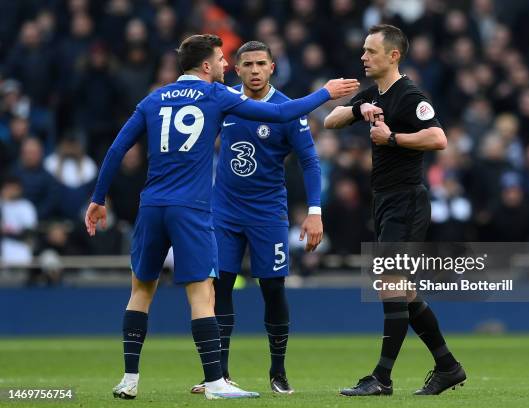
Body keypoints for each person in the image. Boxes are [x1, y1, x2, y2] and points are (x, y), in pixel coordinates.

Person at [84, 33, 358, 400]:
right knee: (205, 293)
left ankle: (130, 379)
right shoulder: (219, 97)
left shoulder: (153, 98)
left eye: (258, 64)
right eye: (224, 59)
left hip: (158, 206)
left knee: (142, 290)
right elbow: (278, 114)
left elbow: (118, 148)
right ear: (208, 65)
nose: (229, 65)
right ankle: (217, 379)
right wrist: (325, 92)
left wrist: (98, 198)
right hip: (203, 210)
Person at [324, 24, 466, 396]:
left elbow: (438, 138)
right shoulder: (376, 94)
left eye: (370, 51)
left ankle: (381, 378)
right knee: (401, 290)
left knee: (389, 284)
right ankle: (448, 367)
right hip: (386, 201)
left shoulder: (410, 95)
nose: (363, 57)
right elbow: (329, 120)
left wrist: (393, 137)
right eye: (364, 50)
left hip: (406, 200)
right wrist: (360, 108)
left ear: (393, 55)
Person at [188, 40, 323, 396]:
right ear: (237, 68)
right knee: (221, 286)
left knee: (273, 288)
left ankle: (278, 372)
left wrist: (314, 212)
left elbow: (309, 161)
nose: (255, 71)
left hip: (268, 214)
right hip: (225, 212)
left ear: (272, 67)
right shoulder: (225, 101)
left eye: (261, 64)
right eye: (247, 64)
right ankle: (221, 374)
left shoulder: (288, 109)